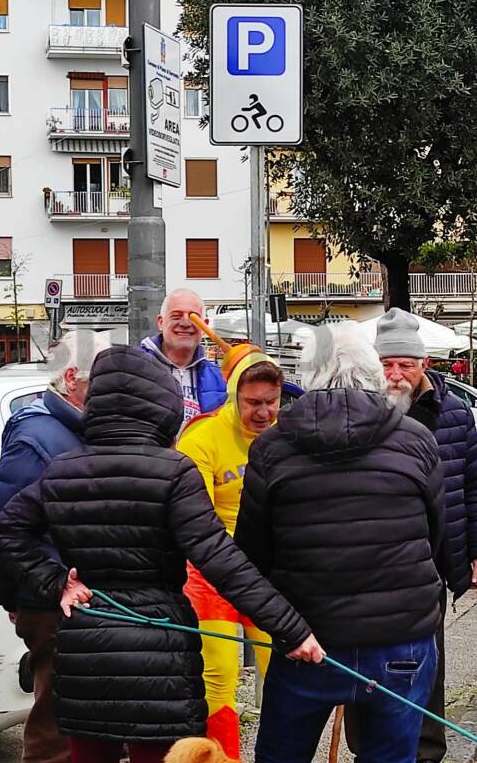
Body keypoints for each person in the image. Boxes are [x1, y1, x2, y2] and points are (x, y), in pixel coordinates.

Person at [0, 346, 323, 763]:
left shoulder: (63, 468)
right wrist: (292, 628)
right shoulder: (174, 471)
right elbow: (219, 558)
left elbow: (4, 530)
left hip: (87, 641)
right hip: (159, 644)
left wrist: (56, 583)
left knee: (89, 753)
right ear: (161, 405)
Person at [234, 322, 445, 763]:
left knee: (281, 756)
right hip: (401, 637)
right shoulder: (416, 440)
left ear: (308, 376)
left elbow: (252, 552)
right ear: (373, 374)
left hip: (306, 637)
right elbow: (434, 532)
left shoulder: (272, 448)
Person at [0, 329, 109, 763]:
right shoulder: (39, 439)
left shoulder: (76, 431)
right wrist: (26, 594)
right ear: (73, 377)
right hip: (55, 603)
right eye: (102, 381)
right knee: (55, 735)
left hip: (72, 600)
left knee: (79, 727)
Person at [373, 307, 477, 763]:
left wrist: (474, 552)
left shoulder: (455, 415)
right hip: (374, 561)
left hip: (432, 561)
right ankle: (373, 747)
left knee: (427, 662)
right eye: (387, 364)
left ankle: (427, 750)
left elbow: (472, 489)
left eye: (405, 364)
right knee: (372, 661)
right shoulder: (363, 413)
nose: (395, 374)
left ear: (423, 366)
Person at [178, 352, 283, 758]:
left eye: (270, 401)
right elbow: (195, 521)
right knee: (218, 675)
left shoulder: (286, 437)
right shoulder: (201, 439)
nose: (263, 412)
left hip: (267, 570)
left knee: (281, 671)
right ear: (233, 397)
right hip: (211, 572)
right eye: (253, 402)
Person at [140, 288, 227, 426]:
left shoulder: (221, 379)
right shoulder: (133, 369)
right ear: (160, 322)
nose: (185, 323)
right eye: (176, 316)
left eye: (194, 317)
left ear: (205, 325)